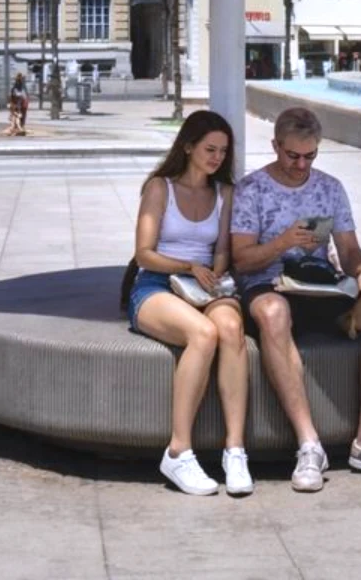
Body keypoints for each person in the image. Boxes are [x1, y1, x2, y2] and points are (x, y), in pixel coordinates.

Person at [230, 106, 361, 492]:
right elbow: (241, 260)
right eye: (292, 156)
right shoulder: (252, 190)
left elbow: (348, 249)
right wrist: (282, 243)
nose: (301, 165)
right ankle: (309, 444)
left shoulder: (329, 188)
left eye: (310, 156)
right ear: (275, 146)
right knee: (273, 311)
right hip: (270, 284)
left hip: (321, 285)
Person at [121, 111, 252, 497]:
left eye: (223, 151)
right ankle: (178, 450)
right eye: (209, 149)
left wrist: (213, 272)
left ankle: (235, 449)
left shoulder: (225, 192)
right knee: (203, 333)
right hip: (158, 283)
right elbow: (144, 254)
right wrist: (187, 267)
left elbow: (224, 250)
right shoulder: (160, 188)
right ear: (189, 146)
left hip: (206, 282)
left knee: (230, 328)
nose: (216, 157)